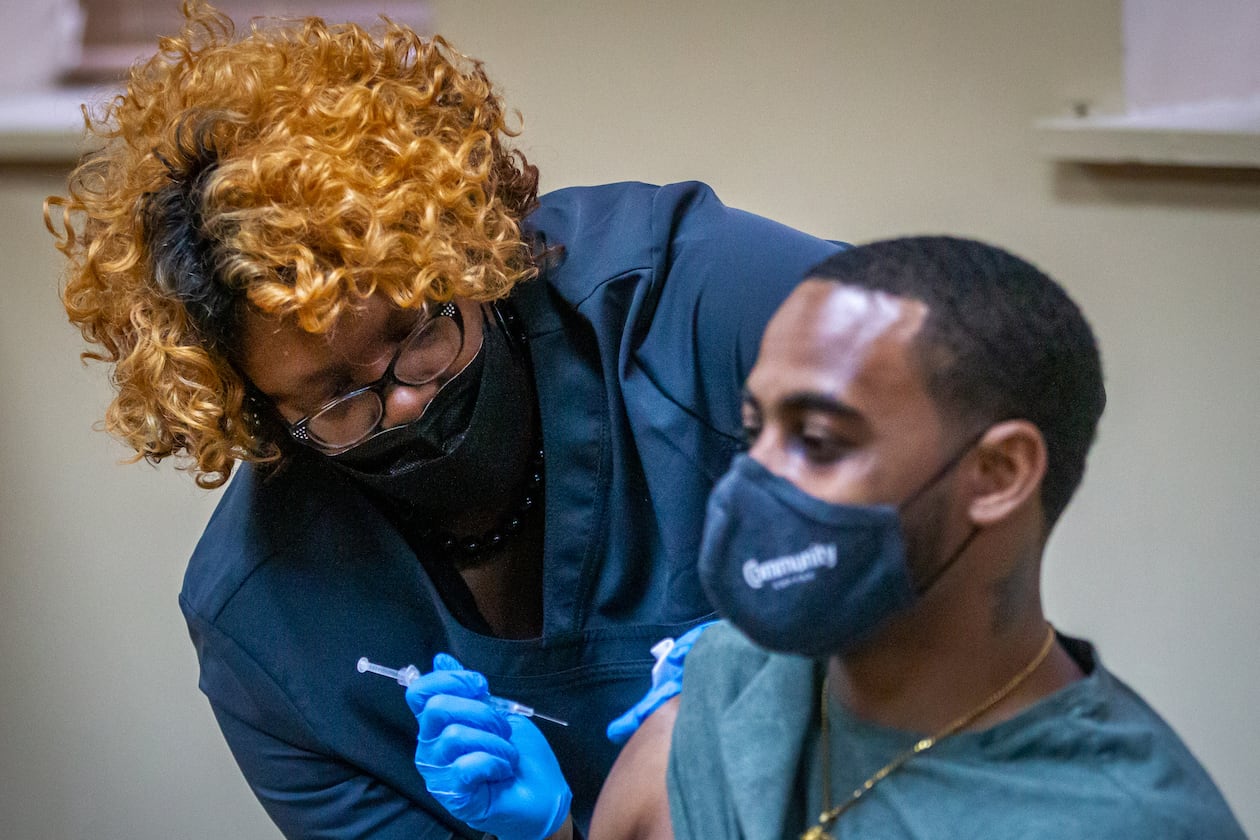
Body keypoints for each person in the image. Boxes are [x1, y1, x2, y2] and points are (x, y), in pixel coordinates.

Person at [43, 3, 842, 838]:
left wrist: (818, 659)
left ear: (470, 250)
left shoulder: (700, 306)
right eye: (337, 400)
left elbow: (937, 431)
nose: (407, 402)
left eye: (419, 332)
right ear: (259, 417)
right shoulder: (271, 635)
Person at [412, 237, 1247, 838]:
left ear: (997, 474)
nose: (753, 480)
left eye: (818, 441)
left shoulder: (1124, 819)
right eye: (756, 430)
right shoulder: (723, 694)